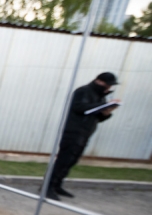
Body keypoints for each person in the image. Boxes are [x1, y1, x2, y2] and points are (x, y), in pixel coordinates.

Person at [48, 72, 120, 200]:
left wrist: (107, 112)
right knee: (63, 160)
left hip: (85, 133)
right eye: (107, 85)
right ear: (99, 81)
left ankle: (57, 185)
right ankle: (48, 187)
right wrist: (101, 106)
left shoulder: (100, 97)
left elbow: (97, 118)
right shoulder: (83, 91)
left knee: (72, 160)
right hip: (73, 131)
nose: (109, 88)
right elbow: (79, 108)